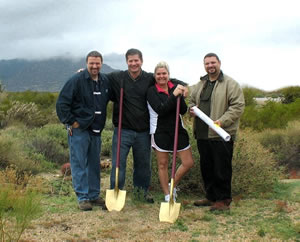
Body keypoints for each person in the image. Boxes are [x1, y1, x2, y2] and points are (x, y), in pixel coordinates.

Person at [108, 49, 188, 203]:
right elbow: (100, 77)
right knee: (119, 164)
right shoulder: (118, 77)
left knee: (143, 165)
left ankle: (141, 194)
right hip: (122, 130)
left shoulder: (149, 78)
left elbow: (168, 80)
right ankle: (115, 192)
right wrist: (83, 72)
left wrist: (183, 86)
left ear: (141, 61)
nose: (133, 63)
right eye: (130, 61)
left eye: (136, 60)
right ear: (126, 62)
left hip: (143, 131)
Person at [56, 51, 111, 211]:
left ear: (101, 63)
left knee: (94, 163)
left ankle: (93, 195)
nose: (94, 66)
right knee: (79, 163)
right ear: (86, 63)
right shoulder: (76, 80)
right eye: (91, 63)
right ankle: (83, 197)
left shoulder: (104, 81)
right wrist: (72, 122)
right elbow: (62, 103)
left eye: (97, 63)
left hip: (96, 130)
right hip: (80, 130)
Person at [189, 53, 245, 211]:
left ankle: (223, 200)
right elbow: (192, 101)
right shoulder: (201, 84)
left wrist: (221, 122)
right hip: (202, 134)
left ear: (219, 63)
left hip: (221, 134)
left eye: (213, 62)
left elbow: (238, 106)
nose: (210, 66)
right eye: (207, 63)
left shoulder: (230, 84)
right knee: (207, 167)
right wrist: (192, 109)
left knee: (222, 168)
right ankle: (211, 197)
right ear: (204, 65)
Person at [147, 61, 194, 202]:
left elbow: (183, 110)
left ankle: (172, 184)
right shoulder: (151, 91)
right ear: (155, 76)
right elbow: (161, 110)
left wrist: (182, 95)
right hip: (160, 130)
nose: (161, 76)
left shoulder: (175, 87)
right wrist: (174, 96)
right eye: (158, 74)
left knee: (188, 162)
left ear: (168, 75)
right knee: (163, 164)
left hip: (178, 130)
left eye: (164, 73)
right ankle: (167, 195)